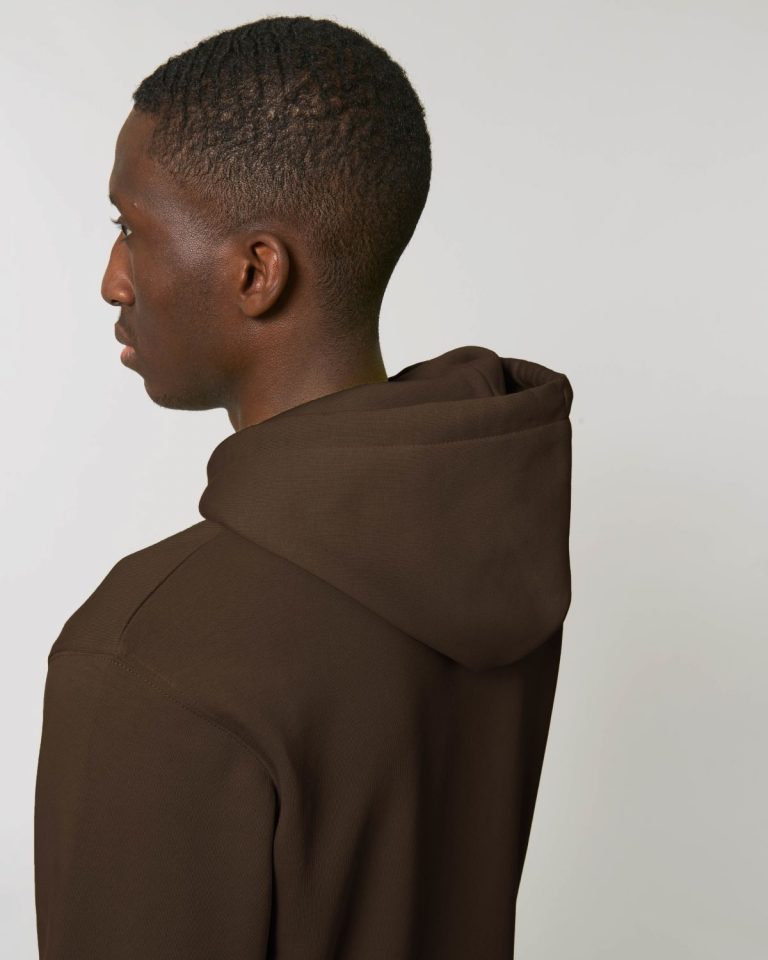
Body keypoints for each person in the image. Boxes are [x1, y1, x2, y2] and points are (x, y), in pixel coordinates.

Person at [33, 14, 574, 959]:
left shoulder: (149, 652)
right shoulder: (488, 534)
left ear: (257, 273)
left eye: (131, 228)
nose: (115, 280)